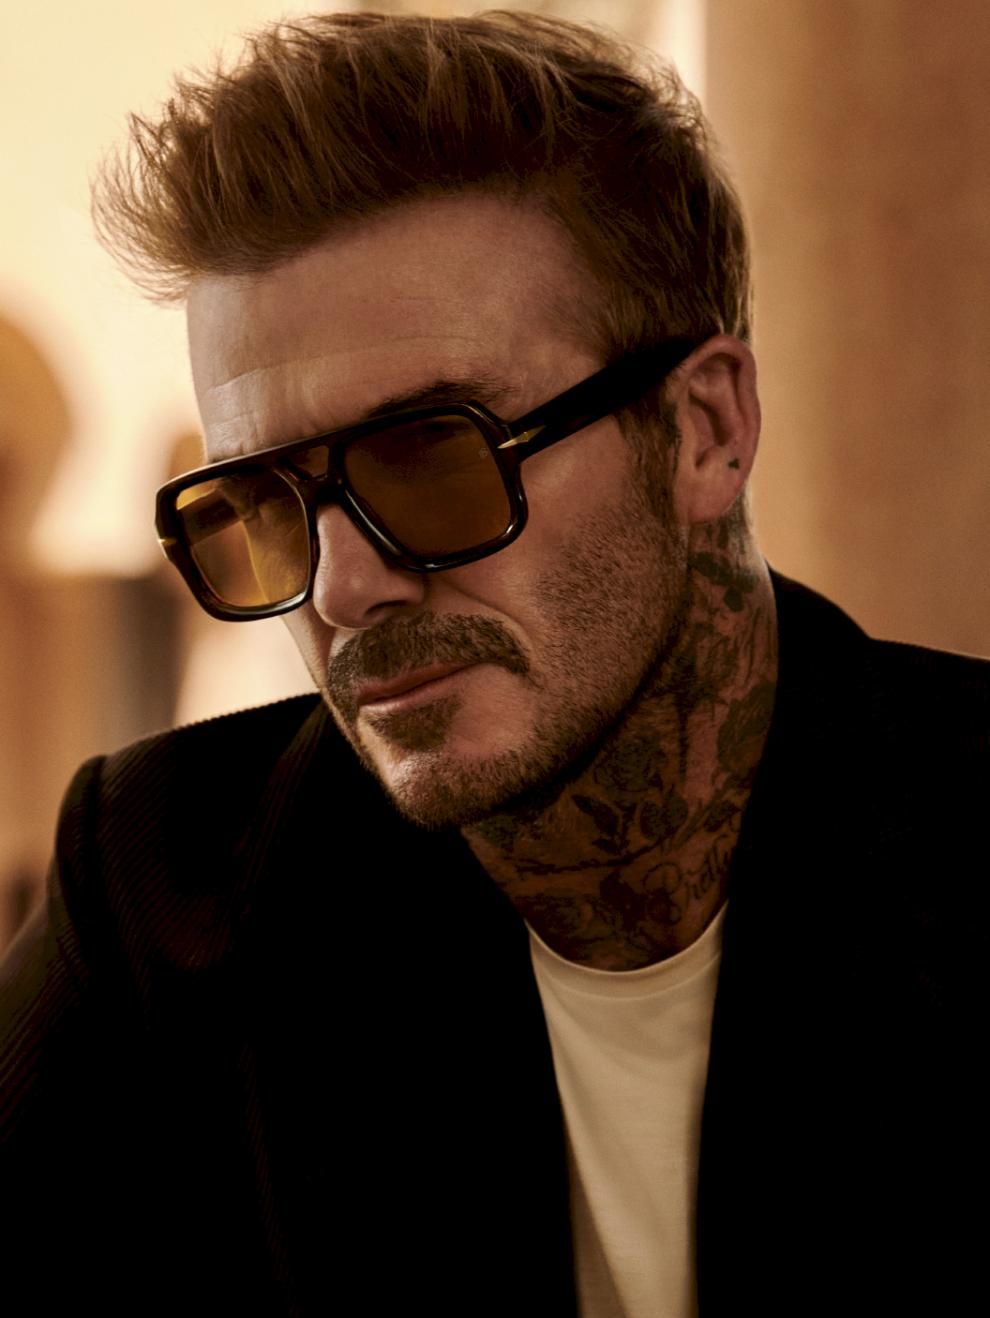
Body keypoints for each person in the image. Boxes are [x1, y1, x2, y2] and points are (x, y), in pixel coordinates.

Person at [1, 11, 986, 1316]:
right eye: (268, 501)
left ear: (704, 429)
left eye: (433, 455)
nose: (342, 588)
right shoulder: (165, 891)